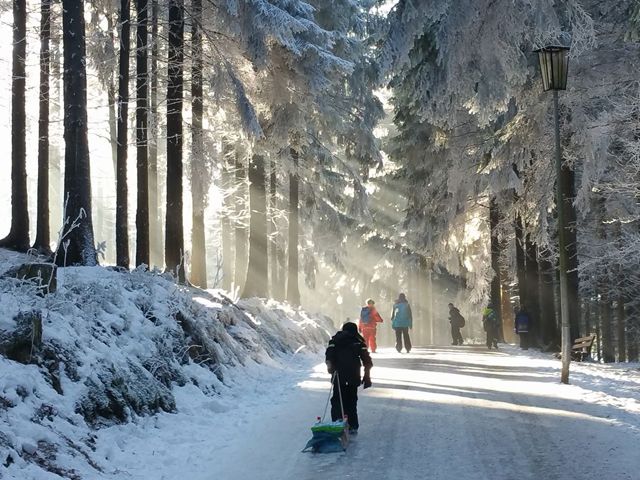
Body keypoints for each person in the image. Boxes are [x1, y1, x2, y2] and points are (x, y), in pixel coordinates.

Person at [325, 322, 373, 434]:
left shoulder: (335, 340)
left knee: (337, 399)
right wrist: (367, 376)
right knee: (351, 400)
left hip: (338, 375)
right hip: (353, 374)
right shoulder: (358, 341)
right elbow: (367, 361)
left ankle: (337, 423)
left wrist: (330, 369)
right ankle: (352, 425)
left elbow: (329, 356)